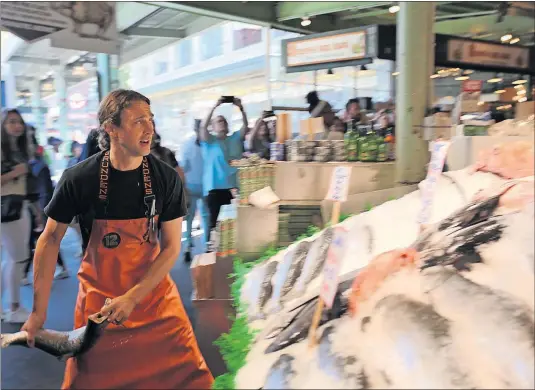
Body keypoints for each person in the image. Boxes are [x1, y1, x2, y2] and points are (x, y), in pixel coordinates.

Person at [21, 89, 213, 389]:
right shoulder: (78, 179)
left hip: (156, 305)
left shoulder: (166, 179)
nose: (150, 128)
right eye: (138, 121)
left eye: (151, 119)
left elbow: (172, 246)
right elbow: (48, 241)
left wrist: (133, 297)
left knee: (189, 379)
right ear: (111, 128)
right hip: (100, 312)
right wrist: (37, 313)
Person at [1, 109, 42, 323]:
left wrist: (36, 211)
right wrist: (15, 173)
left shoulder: (19, 150)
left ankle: (9, 307)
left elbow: (28, 186)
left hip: (19, 206)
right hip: (8, 208)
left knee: (11, 259)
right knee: (18, 258)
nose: (17, 126)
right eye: (11, 122)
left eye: (19, 122)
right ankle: (14, 308)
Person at [200, 97, 247, 237]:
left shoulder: (234, 138)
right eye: (218, 121)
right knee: (214, 225)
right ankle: (210, 253)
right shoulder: (209, 142)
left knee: (232, 225)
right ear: (212, 127)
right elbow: (203, 127)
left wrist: (241, 108)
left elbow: (245, 126)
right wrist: (216, 105)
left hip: (233, 189)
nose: (222, 123)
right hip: (214, 190)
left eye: (224, 121)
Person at [23, 144, 69, 285]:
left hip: (38, 209)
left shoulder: (38, 166)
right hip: (34, 209)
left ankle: (26, 273)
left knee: (38, 240)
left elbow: (44, 191)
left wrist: (43, 212)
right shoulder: (32, 165)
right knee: (40, 240)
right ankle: (26, 273)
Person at [181, 119, 210, 262]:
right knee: (204, 216)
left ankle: (187, 245)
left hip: (192, 185)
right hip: (204, 186)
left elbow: (183, 166)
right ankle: (206, 247)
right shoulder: (208, 142)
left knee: (190, 218)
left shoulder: (187, 144)